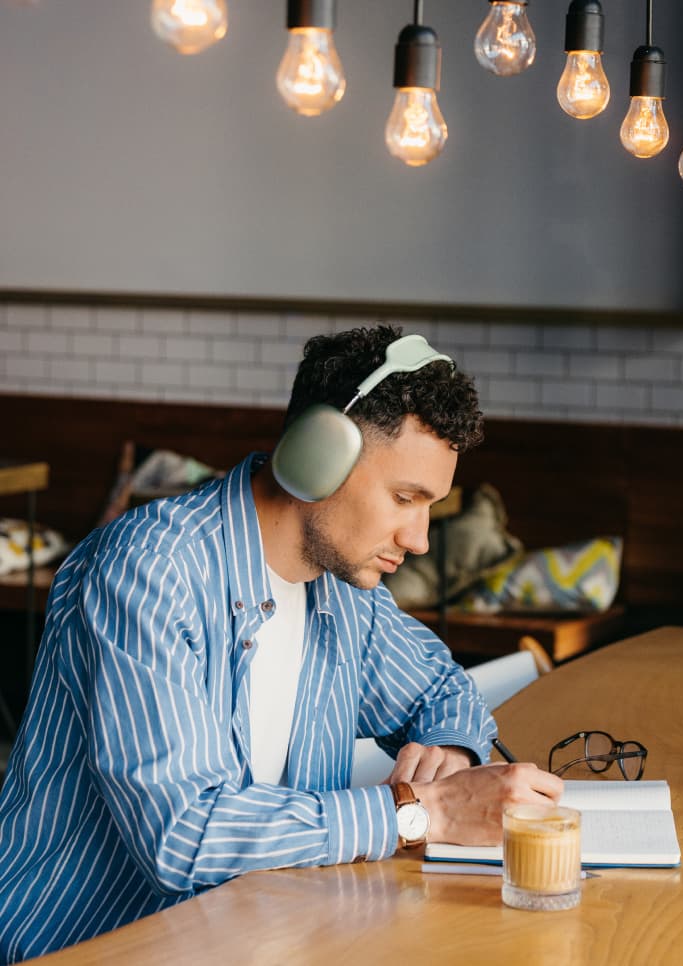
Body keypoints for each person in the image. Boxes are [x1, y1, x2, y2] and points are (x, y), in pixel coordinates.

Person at [0, 325, 562, 961]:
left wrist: (450, 752)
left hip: (260, 936)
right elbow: (184, 837)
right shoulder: (149, 572)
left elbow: (443, 688)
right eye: (404, 498)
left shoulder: (348, 589)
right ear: (314, 458)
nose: (420, 538)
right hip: (91, 947)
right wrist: (421, 812)